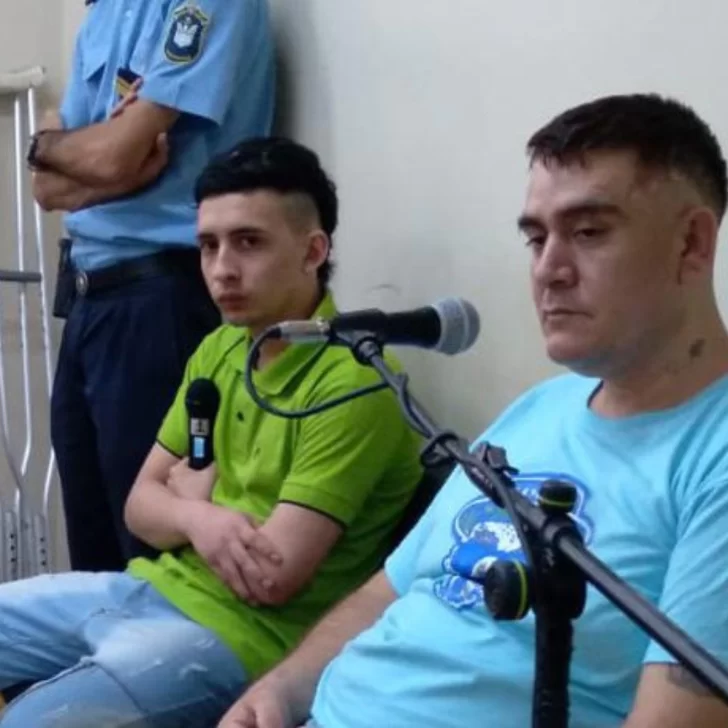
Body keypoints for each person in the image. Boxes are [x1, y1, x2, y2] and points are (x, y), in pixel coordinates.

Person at [220, 94, 728, 728]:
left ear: (691, 243)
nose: (548, 270)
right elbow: (391, 591)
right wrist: (277, 693)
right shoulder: (539, 407)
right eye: (536, 238)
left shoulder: (713, 454)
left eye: (588, 232)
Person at [0, 138, 423, 727]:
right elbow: (138, 507)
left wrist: (184, 502)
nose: (222, 269)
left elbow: (270, 579)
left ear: (313, 250)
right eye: (208, 245)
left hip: (237, 639)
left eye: (248, 242)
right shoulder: (221, 348)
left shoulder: (355, 381)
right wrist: (202, 519)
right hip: (146, 589)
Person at [29, 0, 276, 571]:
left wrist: (48, 143)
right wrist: (67, 157)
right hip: (88, 297)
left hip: (161, 295)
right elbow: (47, 189)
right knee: (92, 553)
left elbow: (111, 156)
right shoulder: (104, 12)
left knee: (154, 553)